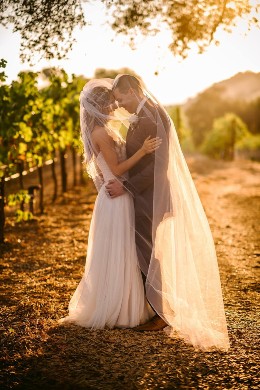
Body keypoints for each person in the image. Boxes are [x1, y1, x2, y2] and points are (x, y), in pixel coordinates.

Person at [106, 74, 230, 351]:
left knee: (146, 252)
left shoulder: (150, 116)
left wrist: (126, 186)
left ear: (134, 90)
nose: (121, 105)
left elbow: (158, 167)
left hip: (149, 196)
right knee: (147, 250)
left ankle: (161, 314)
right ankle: (156, 308)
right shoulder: (145, 112)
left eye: (122, 98)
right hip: (146, 195)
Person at [59, 78, 161, 329]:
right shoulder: (100, 133)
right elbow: (115, 169)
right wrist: (143, 151)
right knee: (119, 251)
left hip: (120, 193)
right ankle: (116, 306)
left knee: (125, 252)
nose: (115, 107)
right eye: (111, 104)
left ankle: (130, 304)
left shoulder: (107, 130)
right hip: (117, 196)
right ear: (100, 107)